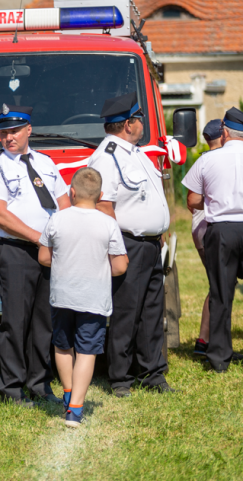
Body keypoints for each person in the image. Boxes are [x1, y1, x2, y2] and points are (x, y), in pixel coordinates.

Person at [0, 104, 70, 407]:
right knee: (15, 323)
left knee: (44, 322)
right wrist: (39, 238)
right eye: (4, 132)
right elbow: (0, 216)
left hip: (49, 253)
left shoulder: (45, 162)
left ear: (29, 129)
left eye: (15, 131)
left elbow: (63, 203)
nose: (9, 137)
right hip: (16, 252)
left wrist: (66, 238)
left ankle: (39, 384)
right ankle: (12, 389)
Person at [87, 92, 176, 396]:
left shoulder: (133, 152)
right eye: (139, 119)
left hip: (149, 244)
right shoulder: (108, 156)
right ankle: (120, 378)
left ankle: (152, 373)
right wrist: (117, 249)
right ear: (128, 124)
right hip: (128, 243)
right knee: (126, 312)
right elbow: (104, 205)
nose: (142, 125)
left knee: (151, 311)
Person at [38, 168, 129, 427]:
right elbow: (120, 266)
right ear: (100, 195)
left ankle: (68, 392)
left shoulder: (57, 219)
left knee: (63, 345)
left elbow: (44, 258)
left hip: (62, 295)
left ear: (72, 192)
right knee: (87, 350)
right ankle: (76, 409)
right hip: (94, 297)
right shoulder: (108, 223)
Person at [183, 107, 243, 373]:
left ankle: (219, 357)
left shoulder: (208, 160)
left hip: (222, 229)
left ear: (225, 131)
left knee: (220, 292)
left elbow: (192, 200)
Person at [190, 120, 224, 356]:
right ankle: (206, 340)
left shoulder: (202, 160)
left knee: (218, 284)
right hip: (210, 224)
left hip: (199, 225)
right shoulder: (220, 160)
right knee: (220, 284)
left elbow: (190, 201)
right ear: (223, 137)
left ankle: (204, 340)